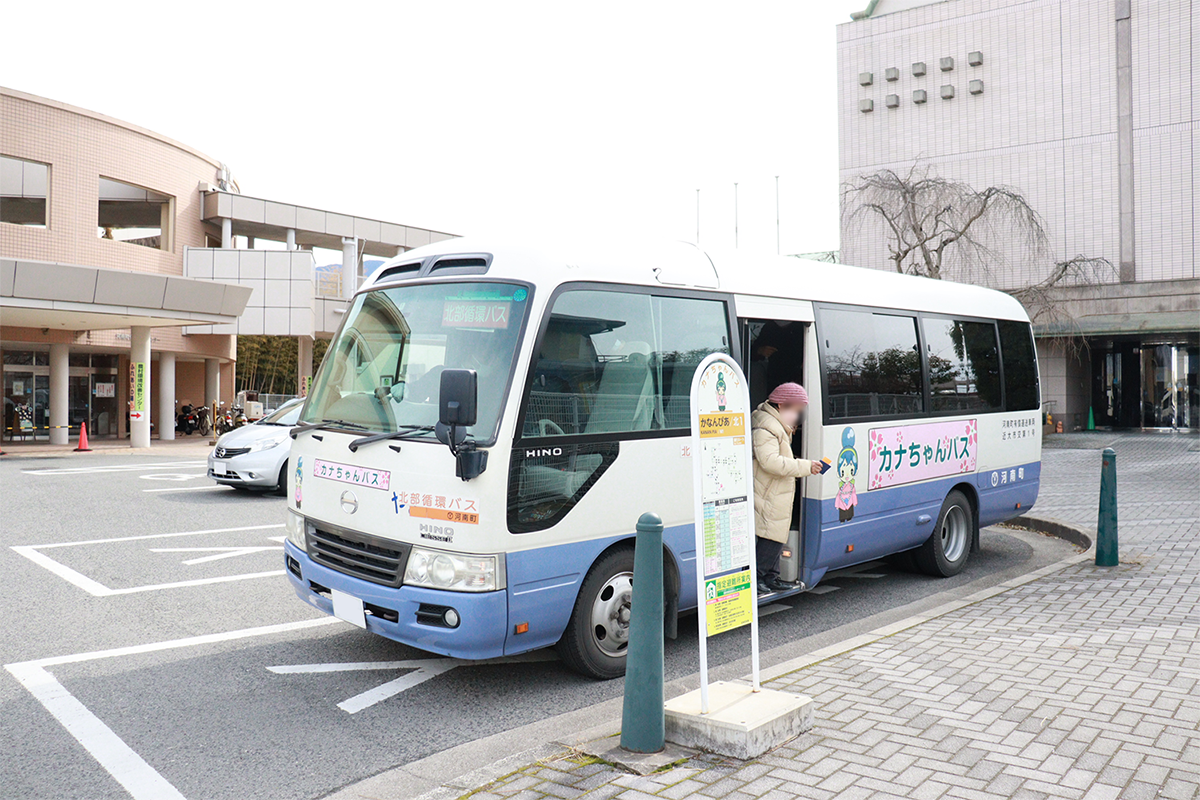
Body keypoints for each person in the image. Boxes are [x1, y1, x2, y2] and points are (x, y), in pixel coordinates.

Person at [752, 382, 822, 594]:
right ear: (782, 406)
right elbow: (770, 461)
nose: (797, 416)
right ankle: (758, 578)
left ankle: (771, 577)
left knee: (775, 533)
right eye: (796, 411)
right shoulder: (767, 426)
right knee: (769, 535)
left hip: (773, 489)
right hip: (768, 490)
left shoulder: (775, 423)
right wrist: (806, 466)